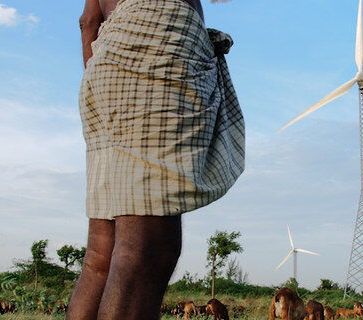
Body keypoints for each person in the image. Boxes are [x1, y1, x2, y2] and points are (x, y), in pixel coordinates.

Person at [66, 0, 245, 318]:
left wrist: (105, 76)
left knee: (100, 256)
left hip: (108, 57)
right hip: (159, 42)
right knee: (146, 249)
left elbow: (89, 21)